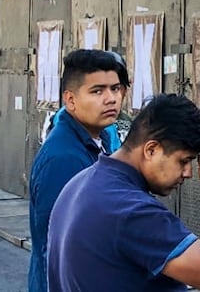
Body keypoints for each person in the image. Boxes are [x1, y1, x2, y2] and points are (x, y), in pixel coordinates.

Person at [47, 93, 200, 292]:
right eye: (183, 161)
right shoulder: (131, 209)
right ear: (151, 150)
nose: (188, 173)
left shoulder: (80, 183)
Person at [28, 49, 129, 292]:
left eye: (115, 89)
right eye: (97, 91)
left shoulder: (102, 138)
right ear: (70, 100)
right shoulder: (64, 158)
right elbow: (63, 246)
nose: (111, 98)